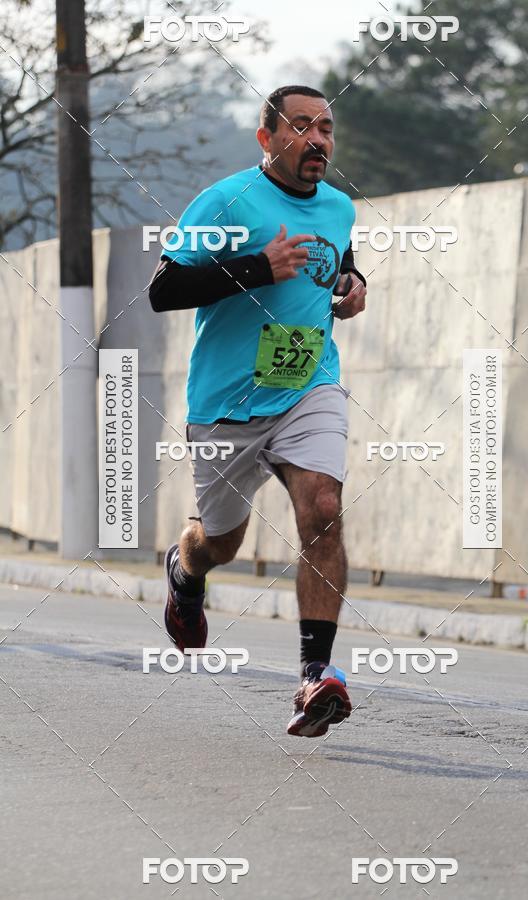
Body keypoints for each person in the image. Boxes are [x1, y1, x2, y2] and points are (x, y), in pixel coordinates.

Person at [148, 85, 367, 737]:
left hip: (307, 388)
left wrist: (352, 285)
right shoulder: (226, 202)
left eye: (326, 128)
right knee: (220, 543)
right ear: (266, 138)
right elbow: (163, 288)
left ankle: (314, 676)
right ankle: (184, 571)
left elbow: (338, 264)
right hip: (227, 403)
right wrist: (254, 269)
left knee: (323, 509)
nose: (318, 140)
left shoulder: (339, 208)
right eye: (301, 126)